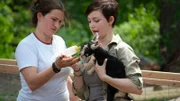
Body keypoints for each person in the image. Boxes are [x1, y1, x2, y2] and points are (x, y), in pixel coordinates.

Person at [71, 0, 143, 101]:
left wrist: (105, 77)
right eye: (89, 21)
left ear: (110, 20)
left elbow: (137, 88)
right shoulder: (89, 49)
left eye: (96, 20)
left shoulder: (122, 49)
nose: (92, 25)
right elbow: (80, 94)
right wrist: (77, 69)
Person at [15, 0, 80, 101]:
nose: (57, 25)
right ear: (40, 16)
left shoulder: (59, 41)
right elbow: (32, 83)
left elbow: (63, 78)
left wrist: (76, 99)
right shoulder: (26, 45)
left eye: (60, 21)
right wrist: (56, 66)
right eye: (53, 19)